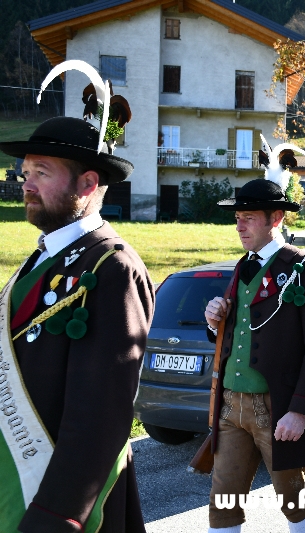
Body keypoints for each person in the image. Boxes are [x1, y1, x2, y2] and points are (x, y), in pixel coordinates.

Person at [0, 117, 154, 532]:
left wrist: (56, 516)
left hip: (57, 500)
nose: (26, 185)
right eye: (25, 173)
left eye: (41, 173)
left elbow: (100, 413)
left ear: (87, 184)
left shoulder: (112, 266)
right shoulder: (42, 258)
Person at [203, 177, 305, 533]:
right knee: (223, 500)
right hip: (231, 402)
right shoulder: (242, 266)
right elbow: (238, 328)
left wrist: (300, 410)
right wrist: (214, 321)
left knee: (291, 497)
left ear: (275, 218)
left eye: (248, 217)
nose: (240, 226)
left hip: (276, 405)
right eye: (237, 218)